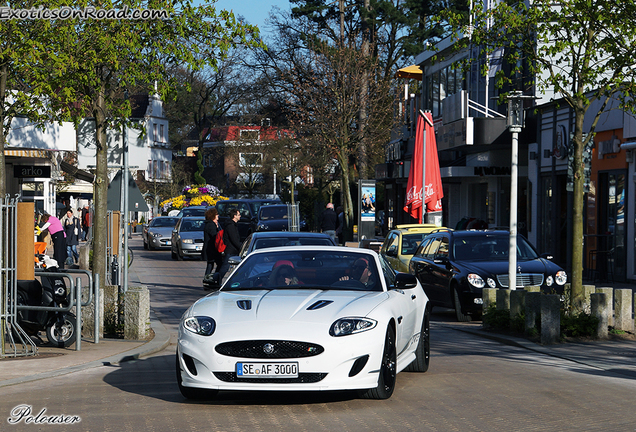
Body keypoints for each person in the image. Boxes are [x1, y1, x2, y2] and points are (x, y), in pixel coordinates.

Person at [217, 208, 242, 283]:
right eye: (239, 215)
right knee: (225, 267)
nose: (240, 216)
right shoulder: (230, 226)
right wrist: (241, 247)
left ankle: (218, 280)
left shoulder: (233, 225)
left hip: (232, 250)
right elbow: (234, 239)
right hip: (231, 250)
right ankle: (217, 281)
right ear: (234, 216)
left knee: (229, 267)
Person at [202, 207, 223, 289]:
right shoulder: (211, 225)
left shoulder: (209, 224)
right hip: (212, 249)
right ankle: (213, 279)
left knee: (210, 265)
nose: (218, 216)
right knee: (219, 264)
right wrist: (217, 228)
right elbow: (215, 236)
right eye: (216, 214)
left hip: (210, 249)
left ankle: (208, 280)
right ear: (213, 216)